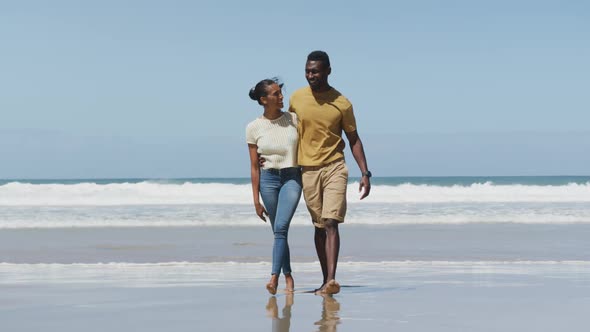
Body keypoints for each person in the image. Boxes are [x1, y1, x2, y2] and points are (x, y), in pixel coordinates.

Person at [289, 50, 371, 295]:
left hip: (335, 166)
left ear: (327, 71)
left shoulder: (342, 102)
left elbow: (354, 139)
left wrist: (365, 173)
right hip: (308, 169)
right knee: (319, 226)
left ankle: (333, 279)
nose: (310, 75)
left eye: (315, 71)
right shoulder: (297, 98)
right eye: (307, 71)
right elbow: (288, 133)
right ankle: (325, 281)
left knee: (331, 221)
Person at [246, 78, 302, 295]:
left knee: (281, 228)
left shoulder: (294, 119)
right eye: (276, 94)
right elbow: (253, 167)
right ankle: (288, 277)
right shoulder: (253, 127)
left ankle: (274, 277)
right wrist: (255, 201)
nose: (281, 97)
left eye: (281, 93)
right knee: (279, 232)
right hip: (268, 180)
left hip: (291, 178)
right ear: (263, 100)